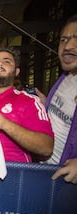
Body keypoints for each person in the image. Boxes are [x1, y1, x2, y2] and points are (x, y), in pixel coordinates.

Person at [40, 14, 77, 184]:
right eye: (63, 39)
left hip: (66, 184)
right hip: (45, 169)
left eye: (76, 38)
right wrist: (46, 104)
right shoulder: (65, 78)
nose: (68, 45)